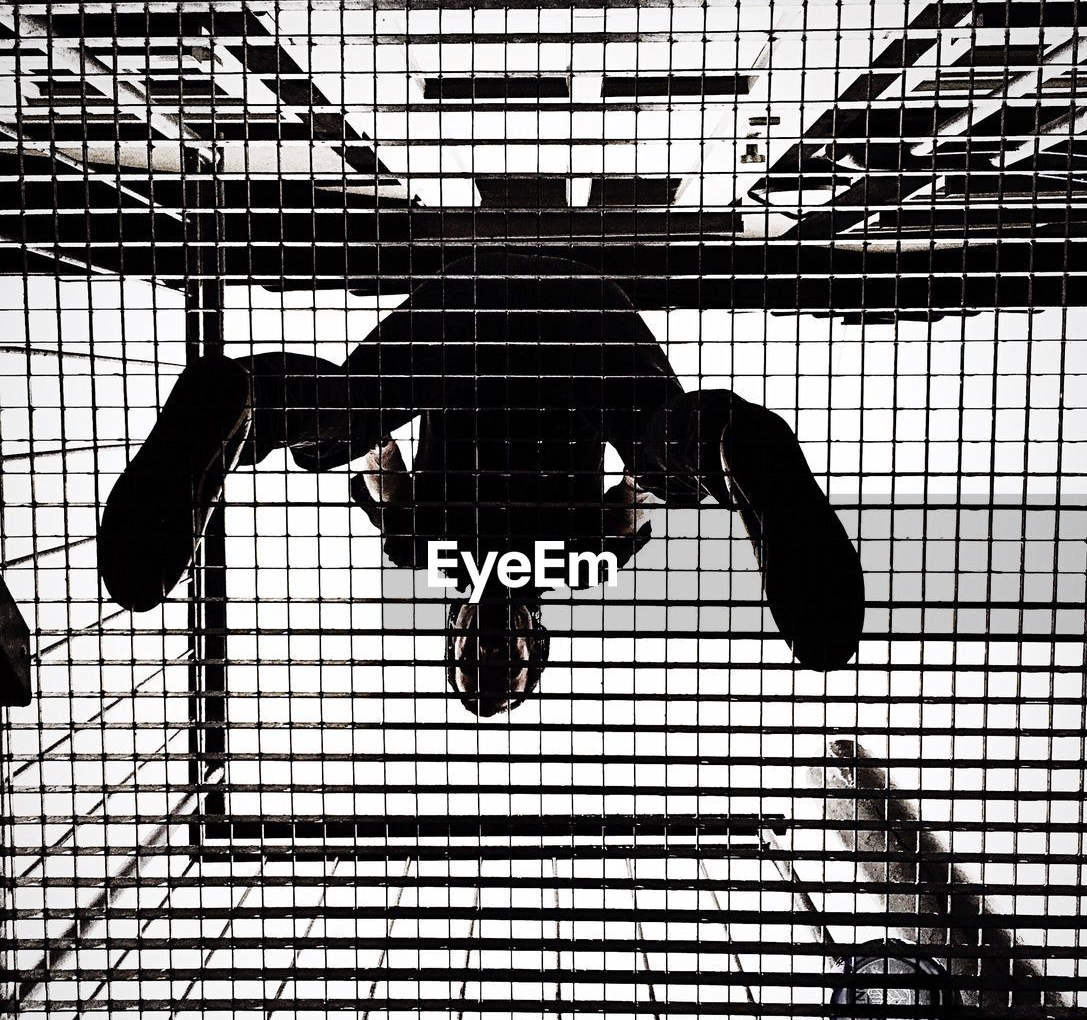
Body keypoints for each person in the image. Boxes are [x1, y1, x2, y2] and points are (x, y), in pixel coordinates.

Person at [98, 250, 865, 717]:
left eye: (472, 662)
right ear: (538, 642)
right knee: (670, 472)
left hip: (467, 319)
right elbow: (640, 487)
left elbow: (375, 452)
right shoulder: (568, 563)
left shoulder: (424, 551)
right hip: (571, 329)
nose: (490, 649)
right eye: (506, 664)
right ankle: (742, 449)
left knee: (339, 434)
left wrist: (349, 452)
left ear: (453, 637)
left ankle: (244, 406)